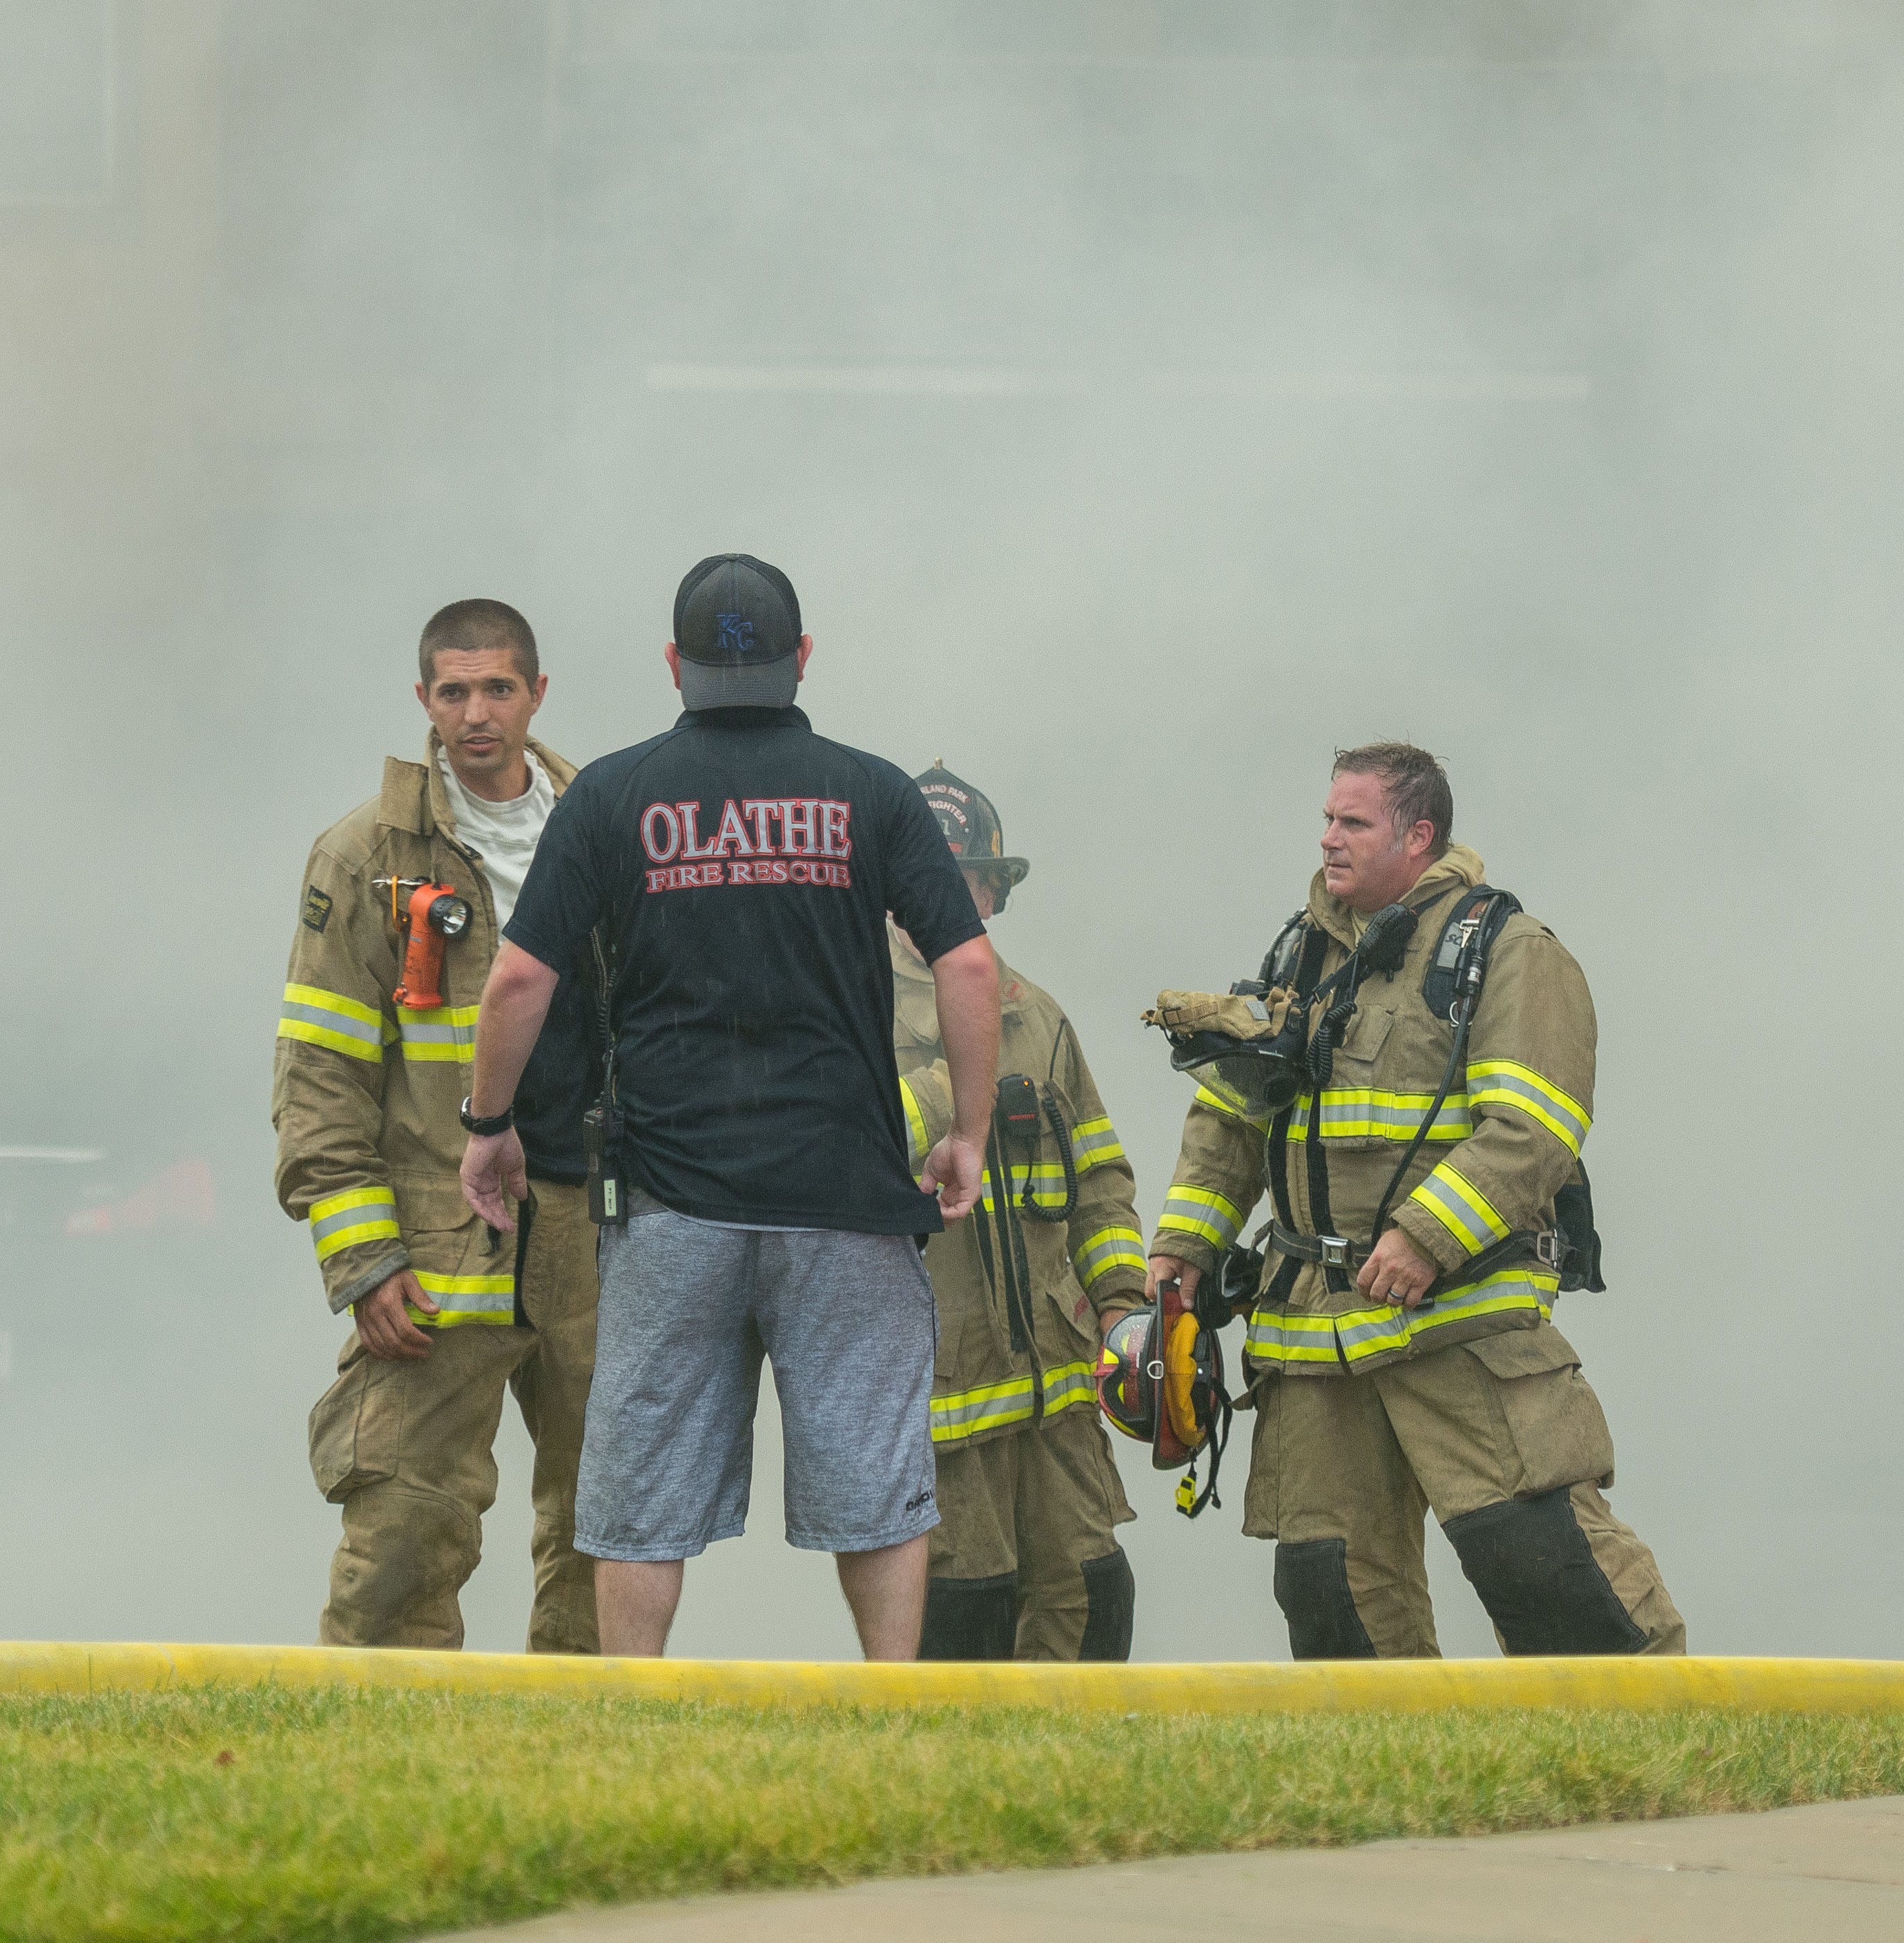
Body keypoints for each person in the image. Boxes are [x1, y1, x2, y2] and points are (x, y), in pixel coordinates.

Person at [458, 553, 999, 1661]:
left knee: (639, 1485)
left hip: (670, 1206)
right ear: (803, 659)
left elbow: (518, 981)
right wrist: (970, 1133)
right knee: (877, 1477)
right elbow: (972, 966)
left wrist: (487, 1126)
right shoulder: (874, 791)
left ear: (673, 663)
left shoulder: (612, 793)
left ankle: (631, 1725)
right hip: (843, 1198)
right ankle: (890, 1713)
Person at [1143, 742, 1685, 1659]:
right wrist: (1179, 1258)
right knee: (1331, 1590)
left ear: (1419, 833)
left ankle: (1661, 1750)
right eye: (1326, 820)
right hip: (1313, 1338)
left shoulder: (1508, 952)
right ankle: (1395, 1786)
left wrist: (1427, 1236)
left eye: (1352, 822)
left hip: (1455, 1320)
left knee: (1541, 1562)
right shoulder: (1298, 954)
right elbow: (1230, 1119)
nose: (1328, 841)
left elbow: (1534, 1129)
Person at [273, 598, 602, 1653]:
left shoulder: (608, 825)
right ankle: (371, 1779)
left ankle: (585, 1780)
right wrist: (364, 1258)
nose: (476, 714)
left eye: (498, 688)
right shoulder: (366, 856)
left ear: (537, 693)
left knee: (612, 1532)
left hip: (600, 1236)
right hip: (436, 1253)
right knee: (404, 1535)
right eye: (453, 691)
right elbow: (319, 1072)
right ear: (423, 700)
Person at [892, 765, 1149, 1661]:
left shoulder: (1037, 1015)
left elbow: (1101, 1180)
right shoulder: (840, 1006)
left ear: (994, 895)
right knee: (963, 1616)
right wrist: (952, 1077)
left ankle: (1077, 1796)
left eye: (966, 880)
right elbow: (842, 1149)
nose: (946, 898)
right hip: (936, 1402)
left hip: (1060, 1387)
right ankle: (954, 1801)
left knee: (1092, 1595)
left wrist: (1121, 1308)